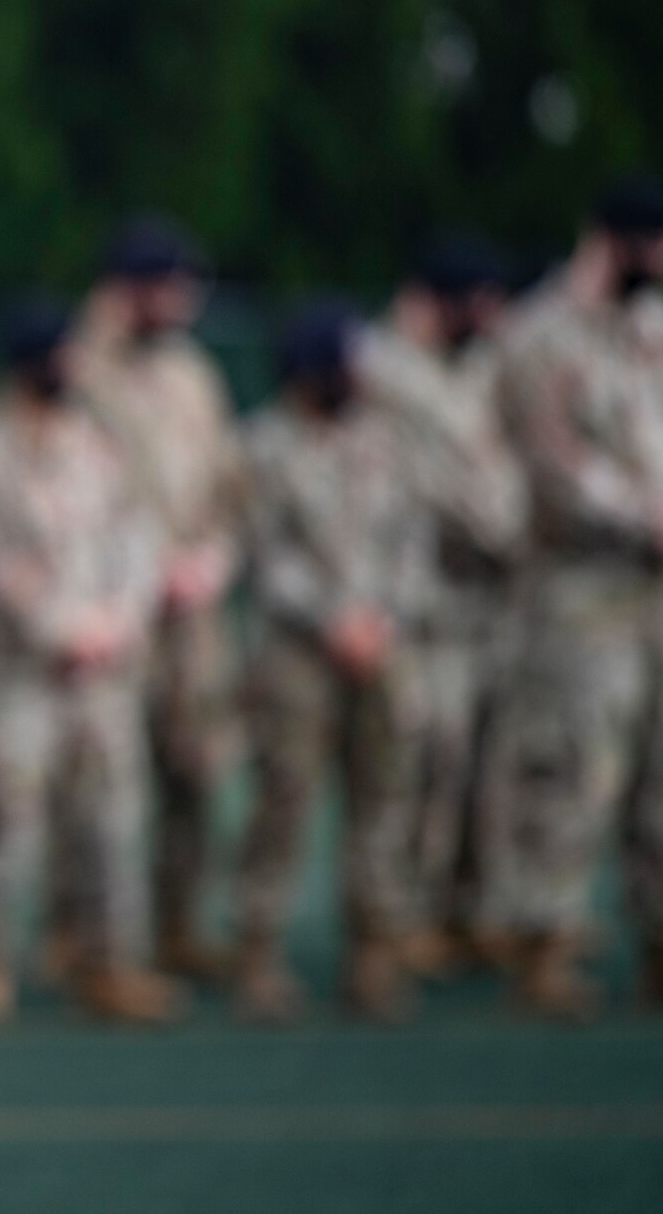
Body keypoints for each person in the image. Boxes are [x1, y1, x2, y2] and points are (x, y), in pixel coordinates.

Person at [0, 303, 182, 1026]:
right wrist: (64, 629)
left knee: (110, 819)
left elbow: (137, 538)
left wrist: (120, 618)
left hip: (102, 669)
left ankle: (109, 960)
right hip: (19, 675)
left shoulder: (96, 444)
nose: (75, 369)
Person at [485, 175, 663, 1017]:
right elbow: (553, 463)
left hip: (661, 596)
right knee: (572, 770)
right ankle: (546, 944)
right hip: (581, 594)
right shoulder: (541, 337)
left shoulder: (656, 329)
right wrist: (650, 516)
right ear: (618, 240)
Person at [233, 307, 436, 1022]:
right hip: (298, 654)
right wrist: (333, 619)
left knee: (383, 801)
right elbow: (265, 552)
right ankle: (258, 952)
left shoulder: (386, 442)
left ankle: (374, 953)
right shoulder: (264, 447)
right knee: (283, 800)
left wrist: (384, 616)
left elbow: (413, 541)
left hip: (383, 645)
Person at [72, 216, 245, 980]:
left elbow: (228, 490)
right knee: (106, 783)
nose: (178, 302)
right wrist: (144, 573)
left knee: (197, 770)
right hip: (113, 610)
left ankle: (179, 922)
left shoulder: (193, 375)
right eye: (163, 286)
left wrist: (212, 557)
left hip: (192, 613)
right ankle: (91, 940)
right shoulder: (80, 372)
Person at [357, 234, 528, 968]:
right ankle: (404, 915)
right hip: (415, 599)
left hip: (483, 600)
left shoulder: (479, 369)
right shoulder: (386, 372)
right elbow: (445, 489)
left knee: (484, 763)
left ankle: (468, 906)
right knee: (419, 762)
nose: (487, 320)